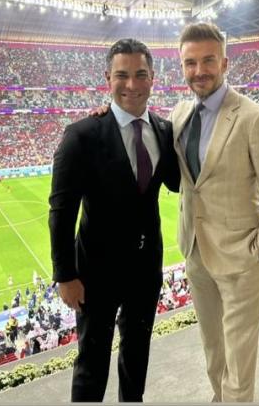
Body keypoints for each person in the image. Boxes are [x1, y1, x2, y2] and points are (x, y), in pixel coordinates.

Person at [49, 38, 181, 402]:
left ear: (153, 78)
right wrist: (65, 275)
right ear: (108, 78)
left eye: (141, 74)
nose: (132, 84)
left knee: (137, 357)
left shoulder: (165, 131)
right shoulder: (82, 135)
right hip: (95, 273)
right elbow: (61, 210)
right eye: (122, 75)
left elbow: (179, 181)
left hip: (145, 269)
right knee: (92, 366)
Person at [170, 22, 259, 402]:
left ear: (224, 63)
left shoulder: (254, 117)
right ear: (182, 67)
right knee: (214, 357)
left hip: (241, 261)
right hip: (196, 256)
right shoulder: (178, 116)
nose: (199, 71)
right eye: (190, 63)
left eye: (208, 60)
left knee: (239, 369)